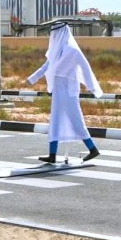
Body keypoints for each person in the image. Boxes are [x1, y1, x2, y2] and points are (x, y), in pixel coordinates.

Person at [27, 21, 103, 164]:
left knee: (76, 121)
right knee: (55, 122)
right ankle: (52, 154)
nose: (53, 37)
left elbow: (85, 68)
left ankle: (93, 149)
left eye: (55, 34)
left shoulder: (73, 50)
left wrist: (92, 87)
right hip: (58, 91)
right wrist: (32, 79)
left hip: (69, 92)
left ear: (61, 33)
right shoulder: (55, 52)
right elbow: (46, 67)